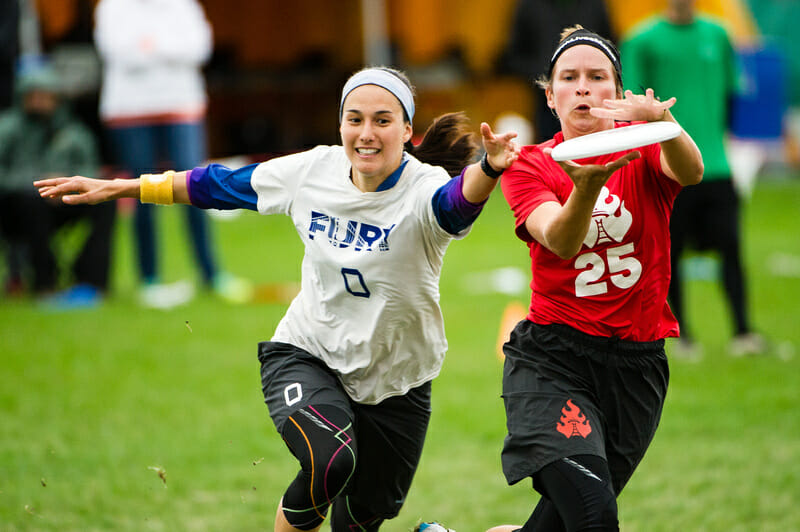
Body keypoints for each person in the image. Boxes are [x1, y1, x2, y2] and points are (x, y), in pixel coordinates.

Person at [35, 66, 520, 531]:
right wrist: (123, 186)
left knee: (362, 520)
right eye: (354, 120)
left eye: (382, 120)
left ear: (408, 130)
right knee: (330, 460)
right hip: (308, 353)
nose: (366, 133)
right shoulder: (314, 170)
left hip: (401, 379)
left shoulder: (424, 188)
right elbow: (217, 185)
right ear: (340, 126)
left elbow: (456, 205)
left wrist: (489, 168)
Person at [482, 26, 703, 532]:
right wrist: (584, 189)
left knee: (565, 521)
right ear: (550, 95)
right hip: (554, 361)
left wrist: (664, 122)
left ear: (618, 92)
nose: (583, 87)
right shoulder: (529, 165)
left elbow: (691, 172)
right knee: (593, 514)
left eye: (597, 77)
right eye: (570, 77)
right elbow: (559, 240)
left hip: (637, 367)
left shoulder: (647, 149)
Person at [620, 0, 766, 357]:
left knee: (731, 249)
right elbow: (631, 104)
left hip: (716, 165)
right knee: (669, 255)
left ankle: (743, 332)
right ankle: (681, 336)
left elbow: (732, 94)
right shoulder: (642, 39)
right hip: (668, 170)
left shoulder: (718, 34)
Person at [93, 0, 249, 308]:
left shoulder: (183, 5)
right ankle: (149, 278)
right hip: (129, 110)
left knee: (198, 186)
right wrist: (169, 48)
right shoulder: (112, 7)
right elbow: (118, 52)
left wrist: (150, 47)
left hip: (182, 107)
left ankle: (211, 274)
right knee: (141, 191)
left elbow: (200, 48)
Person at [0, 64, 114, 306]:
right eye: (34, 96)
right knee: (31, 202)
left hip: (63, 200)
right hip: (17, 206)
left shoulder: (74, 133)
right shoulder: (8, 129)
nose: (40, 102)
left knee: (106, 202)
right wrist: (37, 185)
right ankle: (45, 283)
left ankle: (91, 280)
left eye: (46, 96)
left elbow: (90, 170)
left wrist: (67, 183)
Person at [496, 0, 616, 143]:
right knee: (551, 147)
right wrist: (546, 75)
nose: (579, 86)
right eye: (570, 77)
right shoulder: (529, 5)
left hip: (594, 103)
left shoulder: (594, 4)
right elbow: (514, 55)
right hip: (544, 104)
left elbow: (610, 45)